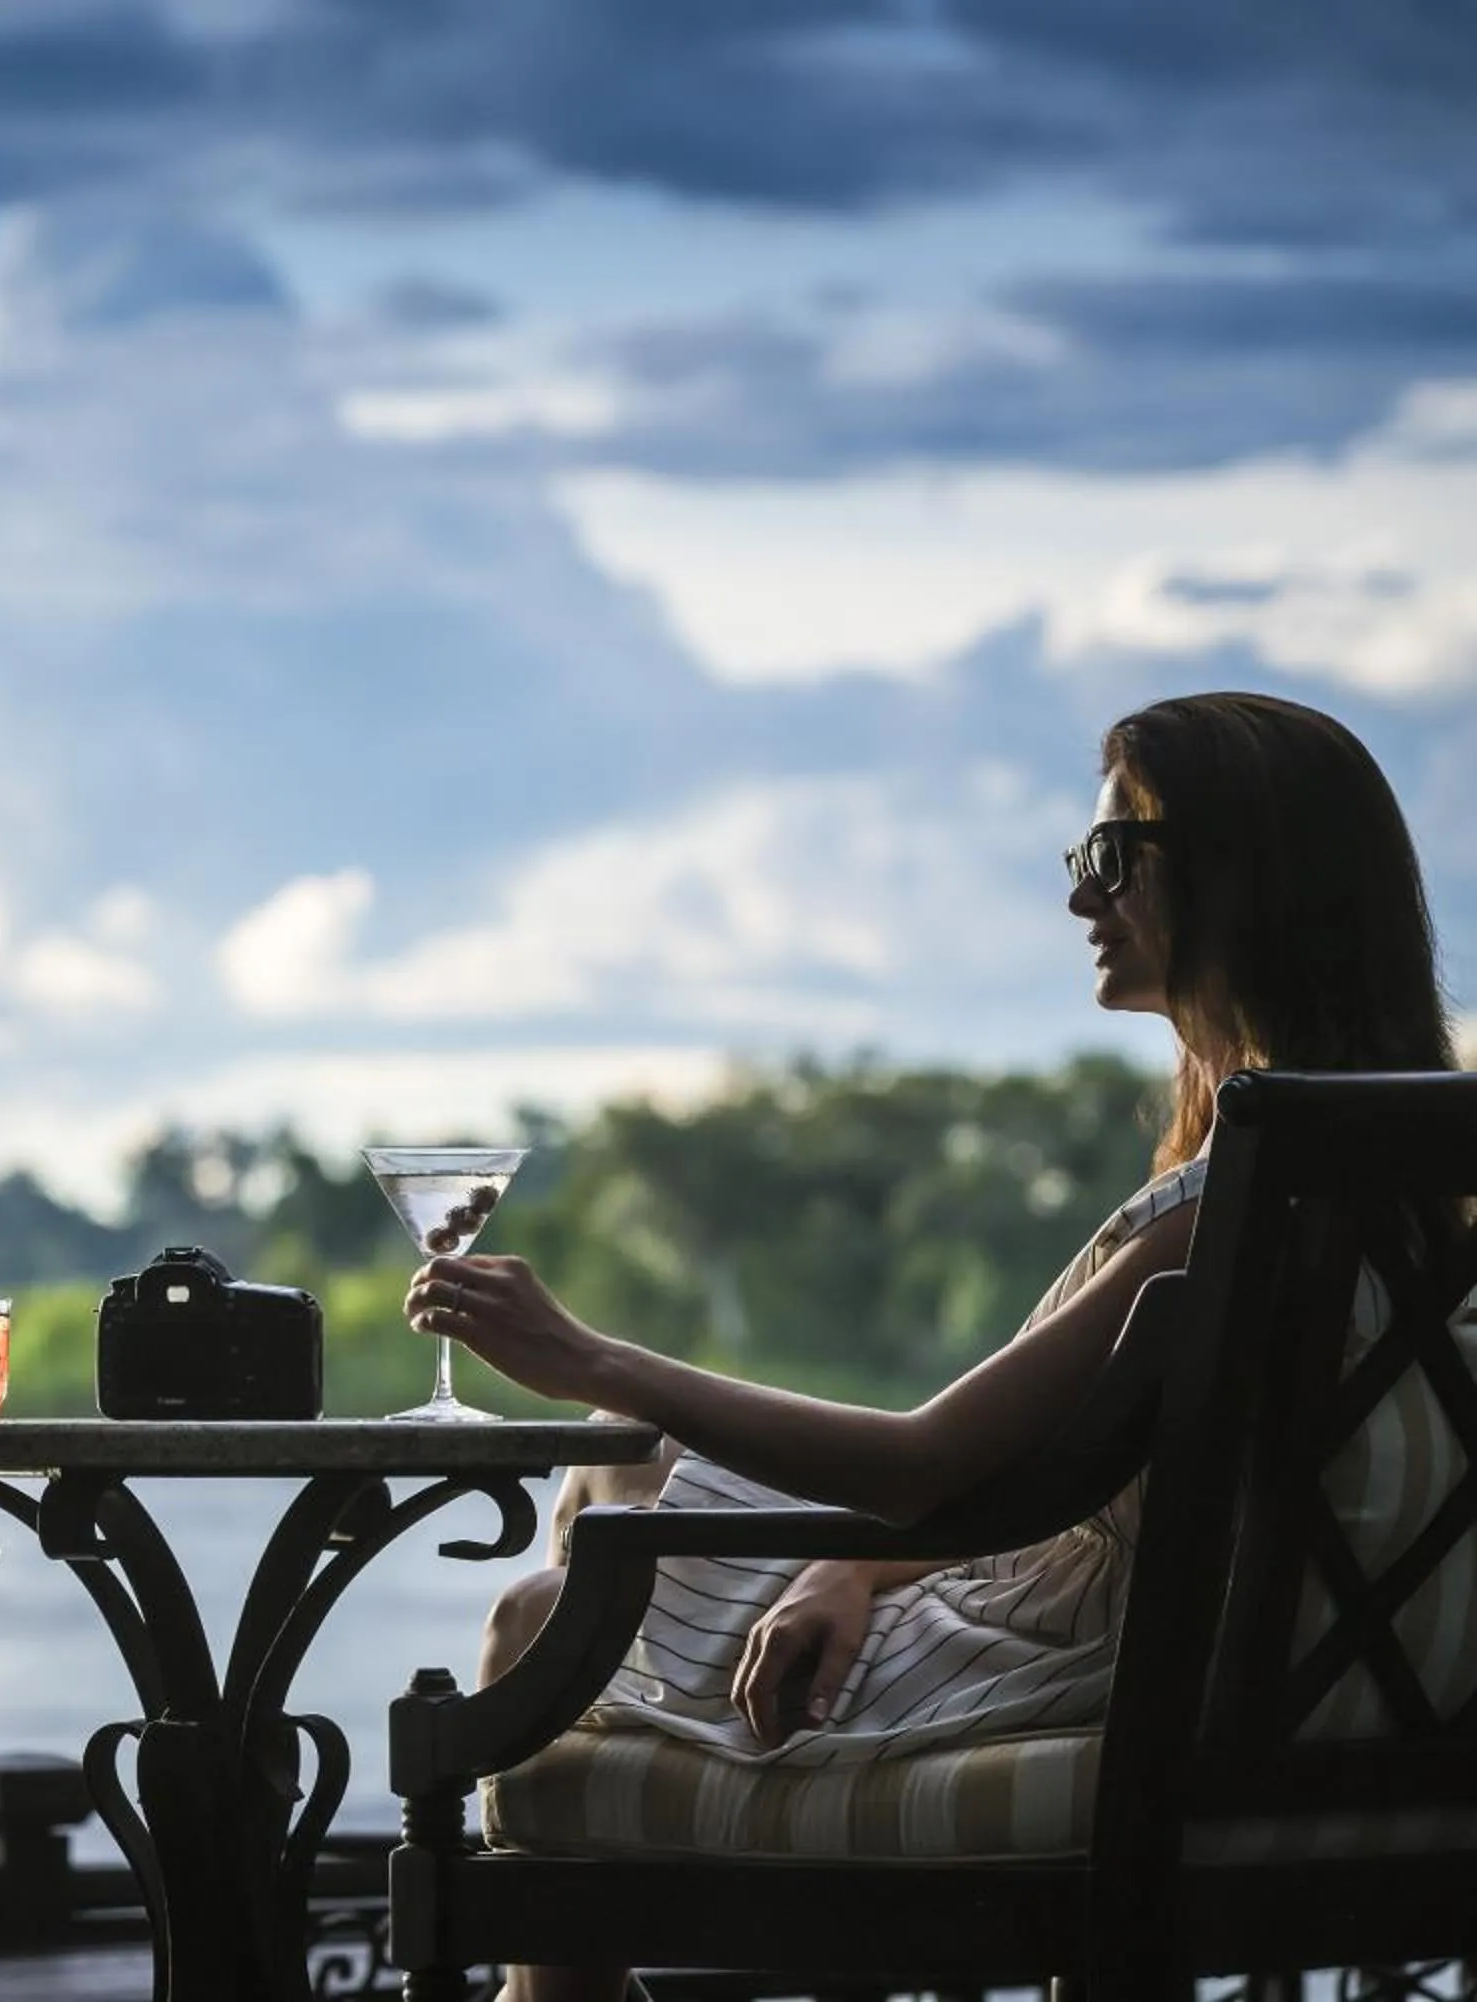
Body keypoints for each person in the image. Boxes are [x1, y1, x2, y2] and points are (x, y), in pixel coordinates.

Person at [405, 692, 1463, 2002]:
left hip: (1096, 1682)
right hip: (1313, 1710)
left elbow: (923, 1460)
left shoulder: (1221, 1211)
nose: (1083, 901)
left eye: (1111, 859)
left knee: (561, 1568)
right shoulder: (1413, 1205)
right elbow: (1066, 1468)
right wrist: (848, 1570)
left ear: (1240, 877)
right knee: (594, 1542)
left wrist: (589, 1358)